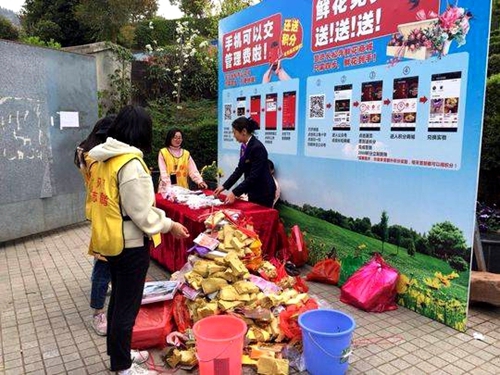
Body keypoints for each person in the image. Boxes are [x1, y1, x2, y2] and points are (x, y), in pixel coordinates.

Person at [88, 105, 190, 375]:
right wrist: (170, 225)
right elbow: (142, 213)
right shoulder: (131, 164)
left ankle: (119, 353)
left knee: (119, 301)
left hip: (111, 239)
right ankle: (123, 366)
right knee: (127, 305)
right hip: (130, 244)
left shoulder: (103, 158)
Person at [74, 115, 115, 337]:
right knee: (103, 261)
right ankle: (98, 312)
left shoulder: (84, 150)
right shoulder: (94, 156)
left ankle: (102, 290)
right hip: (104, 212)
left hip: (99, 209)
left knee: (103, 260)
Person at [214, 117, 276, 208]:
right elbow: (239, 170)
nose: (233, 135)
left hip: (263, 192)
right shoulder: (245, 146)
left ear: (243, 131)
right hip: (254, 191)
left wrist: (234, 193)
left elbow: (254, 176)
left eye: (234, 132)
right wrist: (223, 186)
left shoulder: (257, 148)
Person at [157, 128, 208, 194]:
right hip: (167, 190)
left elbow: (193, 170)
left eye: (179, 138)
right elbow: (163, 172)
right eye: (175, 138)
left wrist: (200, 181)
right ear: (170, 138)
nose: (177, 140)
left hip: (183, 189)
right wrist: (170, 188)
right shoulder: (163, 152)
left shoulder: (186, 154)